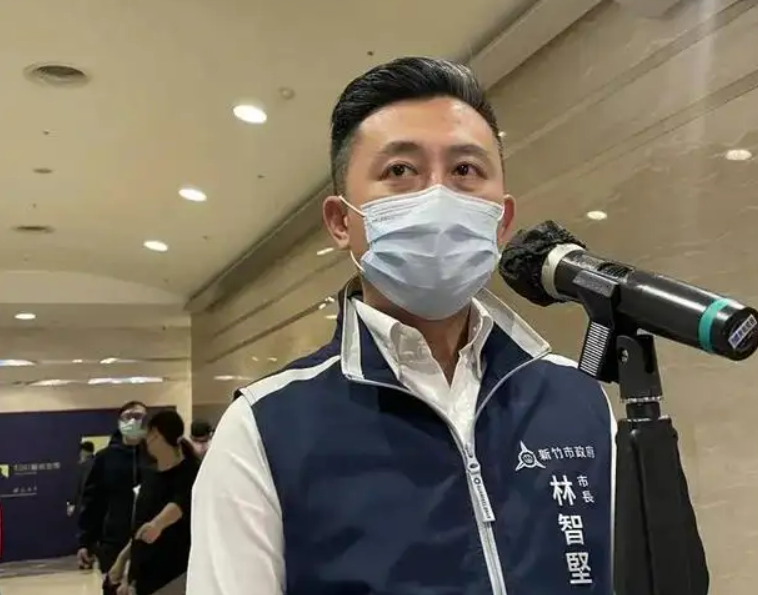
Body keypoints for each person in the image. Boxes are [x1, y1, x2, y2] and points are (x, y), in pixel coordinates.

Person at [187, 57, 616, 595]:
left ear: (502, 221)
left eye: (465, 170)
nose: (437, 196)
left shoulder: (576, 396)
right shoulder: (264, 429)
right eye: (400, 171)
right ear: (341, 221)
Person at [107, 410, 199, 595]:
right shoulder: (150, 475)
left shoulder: (191, 472)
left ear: (157, 434)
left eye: (148, 434)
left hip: (175, 574)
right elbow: (141, 528)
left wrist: (158, 524)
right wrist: (123, 560)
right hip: (144, 576)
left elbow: (179, 505)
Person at [78, 400, 149, 595]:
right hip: (113, 539)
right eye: (128, 417)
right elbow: (93, 500)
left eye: (138, 417)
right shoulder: (105, 458)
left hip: (150, 539)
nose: (133, 421)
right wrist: (86, 541)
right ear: (119, 422)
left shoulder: (155, 455)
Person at [67, 441, 96, 519]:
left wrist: (72, 502)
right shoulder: (98, 462)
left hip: (84, 503)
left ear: (84, 451)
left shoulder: (83, 466)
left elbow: (80, 485)